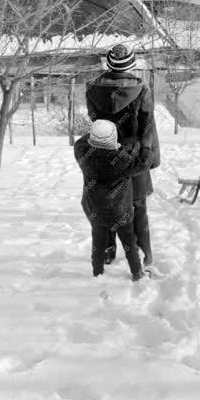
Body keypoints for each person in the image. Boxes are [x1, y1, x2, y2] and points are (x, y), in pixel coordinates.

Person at [85, 43, 160, 268]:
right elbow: (147, 126)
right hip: (133, 155)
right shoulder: (142, 90)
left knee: (106, 204)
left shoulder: (92, 89)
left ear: (108, 63)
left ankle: (108, 252)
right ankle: (144, 254)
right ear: (132, 64)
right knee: (138, 206)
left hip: (103, 154)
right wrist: (147, 155)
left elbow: (93, 120)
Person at [74, 119, 154, 282]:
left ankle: (97, 272)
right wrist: (146, 147)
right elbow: (145, 163)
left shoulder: (84, 155)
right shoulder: (123, 160)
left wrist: (97, 133)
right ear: (114, 139)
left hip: (94, 210)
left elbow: (80, 141)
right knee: (129, 243)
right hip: (120, 212)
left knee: (98, 242)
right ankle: (137, 273)